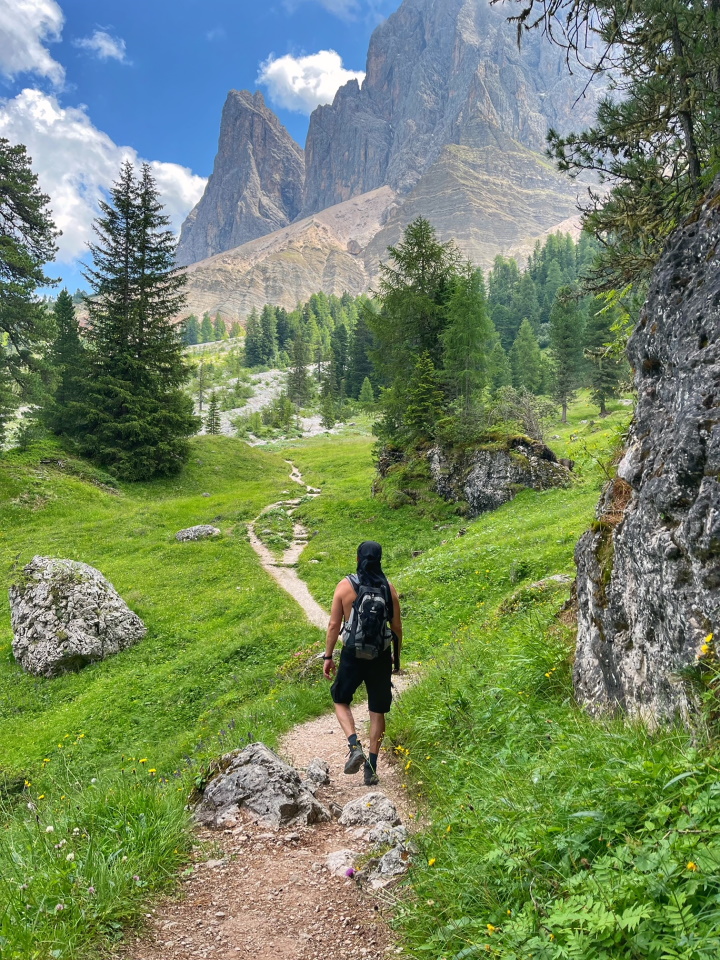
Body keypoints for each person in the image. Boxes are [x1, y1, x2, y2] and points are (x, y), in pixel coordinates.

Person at [323, 541, 402, 786]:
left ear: (357, 559)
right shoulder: (389, 589)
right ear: (380, 560)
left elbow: (334, 626)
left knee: (340, 699)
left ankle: (354, 744)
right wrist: (396, 659)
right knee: (377, 710)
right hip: (380, 656)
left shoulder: (345, 586)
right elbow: (396, 628)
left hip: (352, 654)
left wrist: (328, 656)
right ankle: (372, 767)